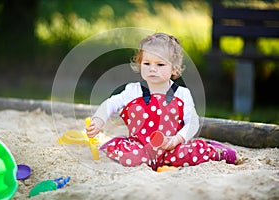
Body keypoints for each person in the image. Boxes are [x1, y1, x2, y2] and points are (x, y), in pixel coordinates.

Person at [86, 32, 238, 171]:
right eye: (147, 64)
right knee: (128, 154)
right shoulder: (133, 91)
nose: (152, 69)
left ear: (174, 68)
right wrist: (98, 120)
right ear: (140, 64)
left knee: (191, 153)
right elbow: (111, 103)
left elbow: (192, 122)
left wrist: (176, 139)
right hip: (140, 148)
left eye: (160, 64)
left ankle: (217, 151)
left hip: (172, 148)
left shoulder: (181, 94)